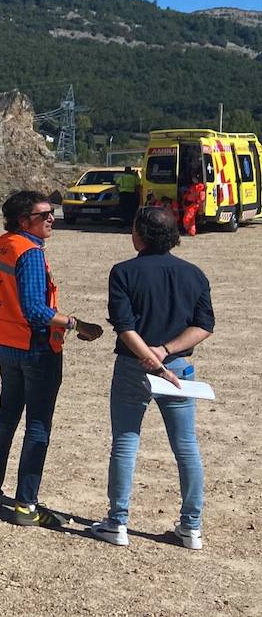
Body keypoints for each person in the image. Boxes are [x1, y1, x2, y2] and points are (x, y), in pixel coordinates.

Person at [0, 190, 104, 527]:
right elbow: (34, 310)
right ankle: (26, 506)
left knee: (5, 419)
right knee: (38, 427)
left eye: (52, 213)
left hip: (8, 346)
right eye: (44, 214)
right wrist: (76, 324)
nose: (51, 219)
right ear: (23, 220)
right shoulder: (29, 253)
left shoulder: (1, 243)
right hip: (36, 348)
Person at [89, 206, 213, 550]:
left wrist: (151, 358)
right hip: (179, 369)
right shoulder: (194, 274)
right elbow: (204, 326)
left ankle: (118, 522)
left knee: (126, 441)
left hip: (135, 367)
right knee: (186, 447)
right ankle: (192, 526)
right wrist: (165, 351)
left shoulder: (124, 273)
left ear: (140, 234)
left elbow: (125, 326)